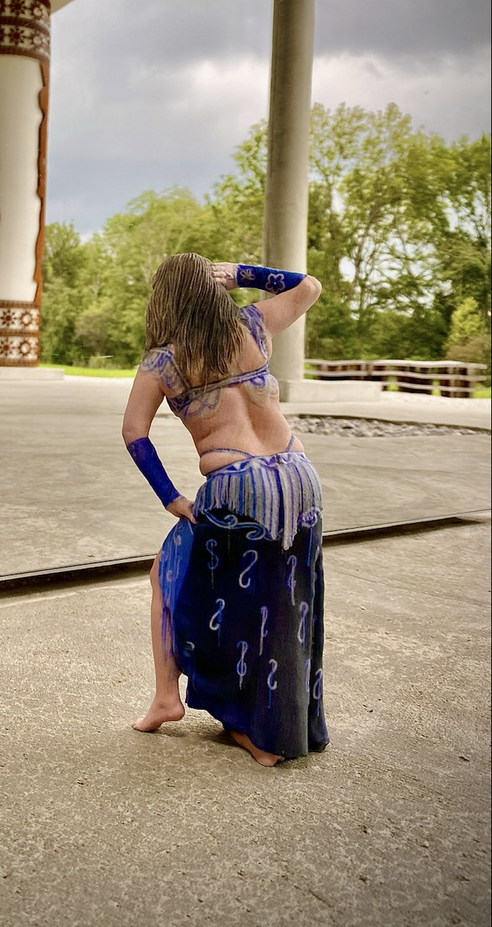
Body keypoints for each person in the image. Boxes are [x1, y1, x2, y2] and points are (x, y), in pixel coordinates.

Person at [122, 253, 328, 766]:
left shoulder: (163, 361)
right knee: (286, 603)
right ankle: (283, 725)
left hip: (239, 485)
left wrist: (170, 496)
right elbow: (309, 286)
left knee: (174, 580)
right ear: (213, 288)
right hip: (301, 477)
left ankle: (189, 706)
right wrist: (242, 273)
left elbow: (134, 432)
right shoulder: (253, 325)